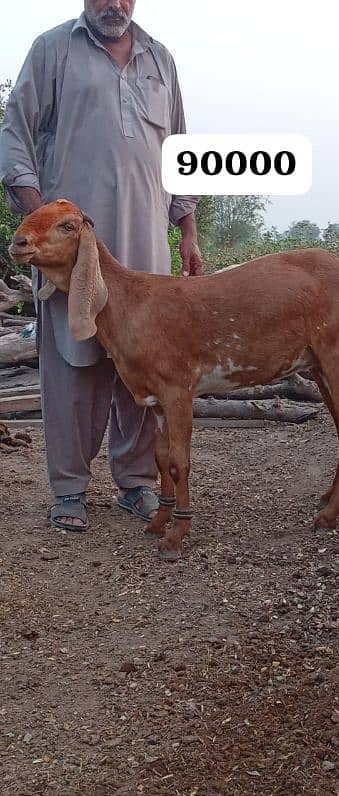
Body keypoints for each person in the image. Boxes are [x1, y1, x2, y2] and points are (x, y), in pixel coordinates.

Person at [0, 0, 202, 531]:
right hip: (74, 250)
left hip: (145, 245)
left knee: (143, 363)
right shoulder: (52, 49)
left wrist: (188, 230)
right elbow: (15, 132)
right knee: (71, 362)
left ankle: (136, 483)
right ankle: (68, 490)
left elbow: (181, 147)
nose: (115, 4)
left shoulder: (160, 58)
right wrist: (39, 217)